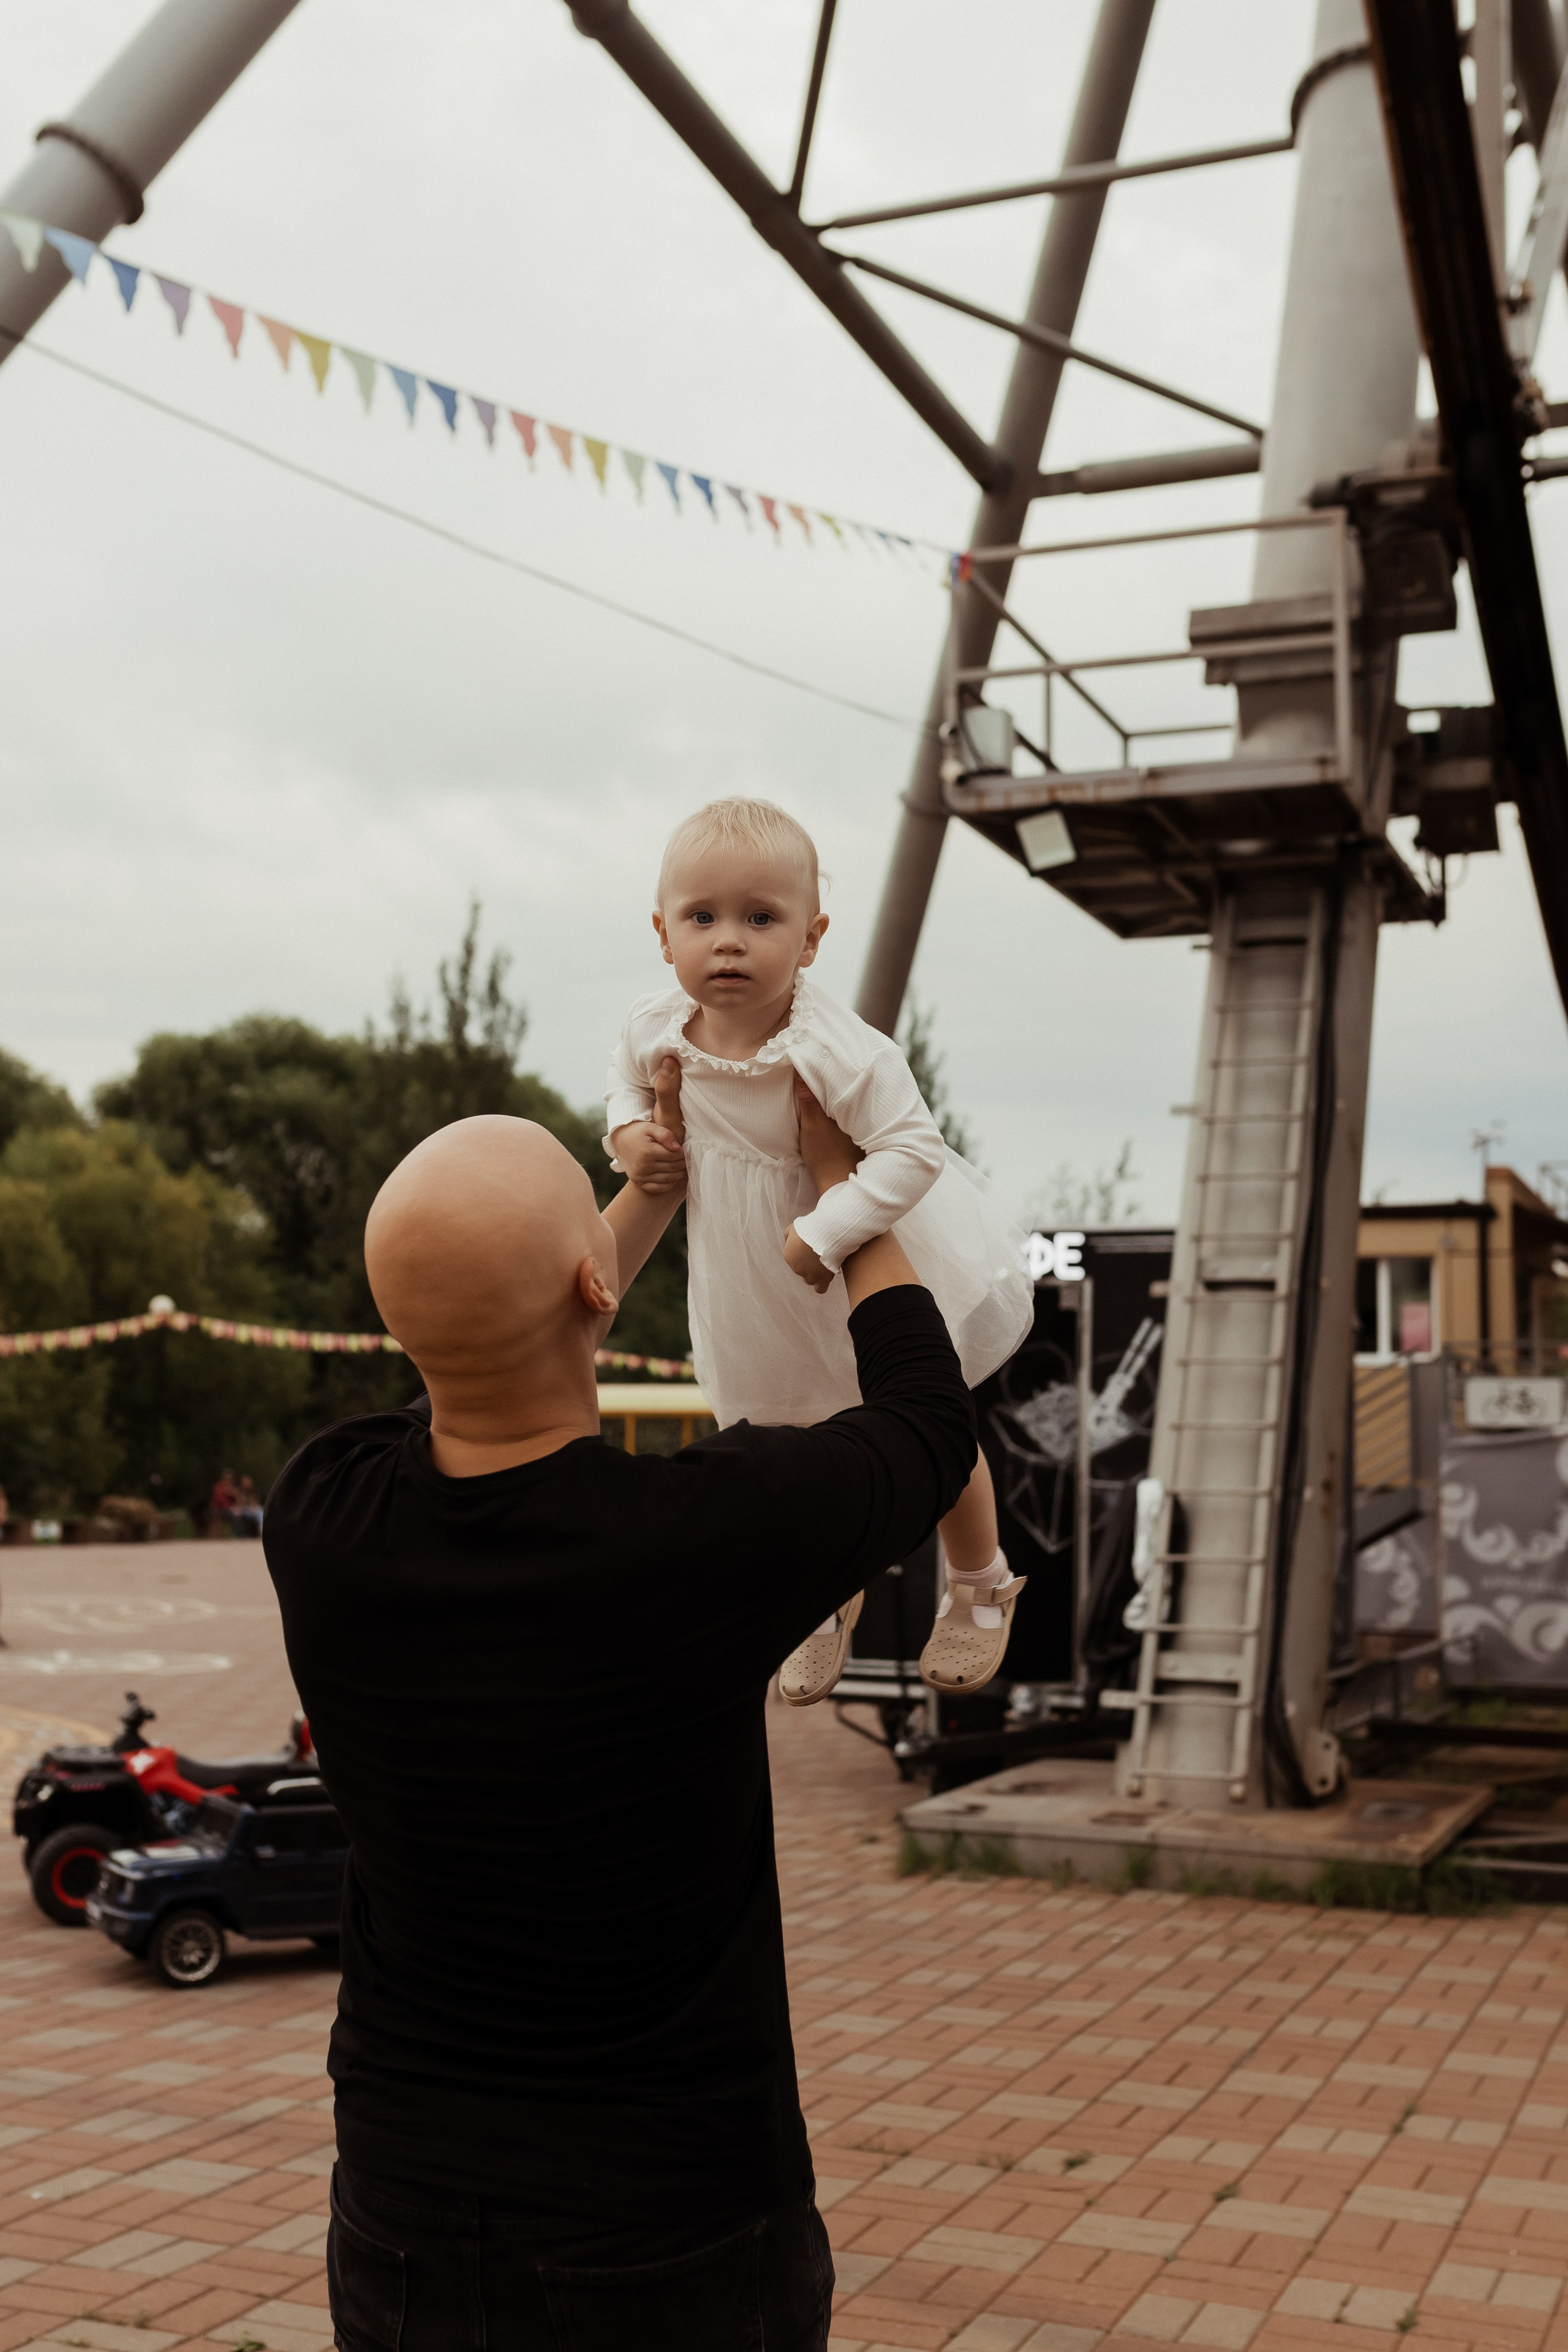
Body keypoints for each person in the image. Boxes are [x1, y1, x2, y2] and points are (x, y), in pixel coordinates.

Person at [263, 1093, 974, 2351]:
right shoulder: (696, 1542)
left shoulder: (322, 1517)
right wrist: (842, 1192)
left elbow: (484, 1344)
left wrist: (641, 1197)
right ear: (595, 1286)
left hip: (399, 2220)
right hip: (671, 2236)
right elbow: (925, 1418)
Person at [606, 795, 1033, 1702]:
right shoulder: (655, 1024)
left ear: (810, 939)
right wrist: (628, 1138)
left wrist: (831, 1229)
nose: (729, 941)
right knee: (774, 1423)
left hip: (857, 1238)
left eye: (761, 919)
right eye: (703, 917)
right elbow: (626, 1086)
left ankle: (980, 1579)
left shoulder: (839, 1048)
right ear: (662, 931)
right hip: (742, 1260)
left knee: (926, 1409)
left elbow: (914, 1148)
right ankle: (820, 1592)